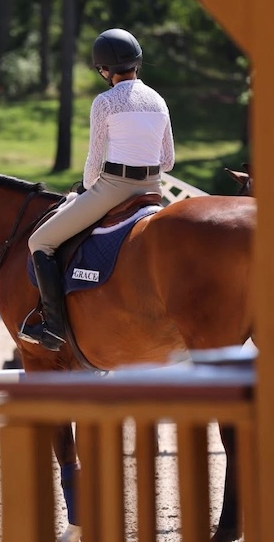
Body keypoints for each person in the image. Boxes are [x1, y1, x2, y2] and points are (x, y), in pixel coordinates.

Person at [19, 27, 175, 351]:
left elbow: (93, 162)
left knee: (40, 240)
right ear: (137, 62)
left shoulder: (105, 102)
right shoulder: (159, 100)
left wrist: (88, 190)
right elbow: (168, 160)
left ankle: (53, 327)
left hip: (113, 189)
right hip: (152, 191)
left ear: (104, 69)